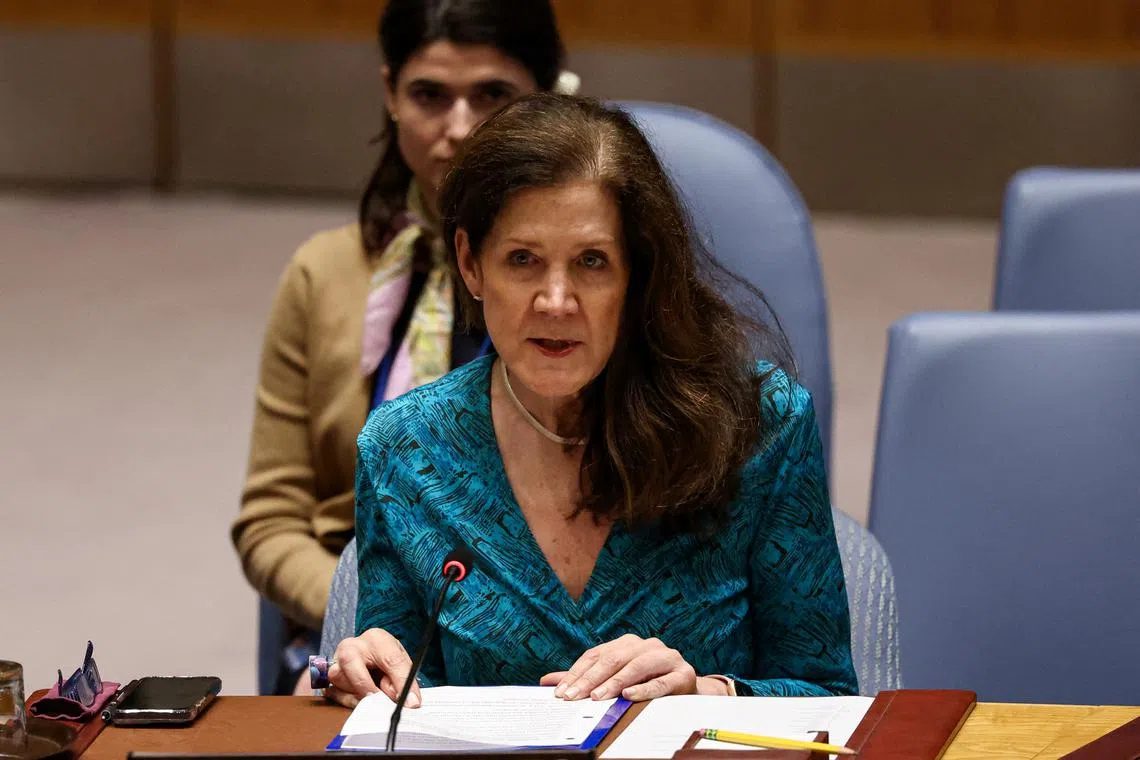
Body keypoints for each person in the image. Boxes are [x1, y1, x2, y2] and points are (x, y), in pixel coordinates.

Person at [325, 93, 857, 707]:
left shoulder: (759, 427)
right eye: (522, 260)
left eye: (591, 262)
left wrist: (708, 691)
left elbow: (830, 701)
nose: (556, 301)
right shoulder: (403, 449)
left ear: (636, 273)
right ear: (471, 265)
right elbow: (398, 692)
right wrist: (365, 674)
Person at [231, 0, 570, 694]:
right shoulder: (322, 276)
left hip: (557, 642)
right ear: (389, 94)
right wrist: (367, 617)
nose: (461, 128)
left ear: (549, 95)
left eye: (494, 95)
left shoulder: (580, 297)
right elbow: (271, 521)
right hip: (361, 639)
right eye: (429, 96)